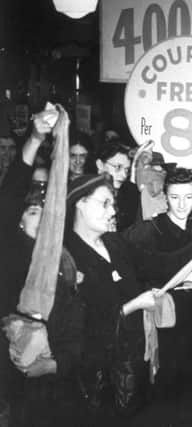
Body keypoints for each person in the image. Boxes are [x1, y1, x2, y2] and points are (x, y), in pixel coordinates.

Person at [64, 174, 192, 426]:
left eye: (113, 205)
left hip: (136, 362)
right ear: (80, 203)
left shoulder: (114, 242)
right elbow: (81, 331)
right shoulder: (67, 258)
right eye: (104, 204)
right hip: (99, 378)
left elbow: (162, 265)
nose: (112, 212)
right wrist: (134, 305)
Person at [123, 167, 192, 425]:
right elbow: (155, 270)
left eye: (188, 197)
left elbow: (191, 271)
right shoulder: (149, 230)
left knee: (183, 396)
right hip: (159, 326)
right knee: (161, 396)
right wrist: (190, 274)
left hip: (186, 323)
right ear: (165, 197)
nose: (182, 204)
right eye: (175, 197)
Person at [0, 107, 84, 427]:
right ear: (19, 220)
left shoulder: (60, 253)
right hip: (20, 362)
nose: (43, 211)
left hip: (58, 367)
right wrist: (35, 138)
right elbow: (10, 194)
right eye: (34, 210)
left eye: (44, 206)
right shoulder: (11, 248)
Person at [94, 141, 138, 231]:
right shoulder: (88, 195)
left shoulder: (126, 195)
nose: (124, 175)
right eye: (118, 167)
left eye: (126, 170)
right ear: (100, 165)